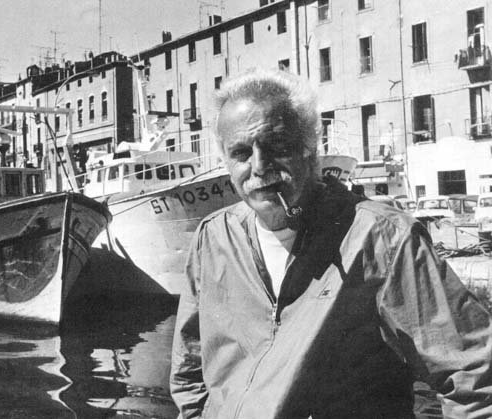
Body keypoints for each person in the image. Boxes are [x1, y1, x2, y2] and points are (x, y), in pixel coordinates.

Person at [169, 69, 492, 418]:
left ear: (310, 149)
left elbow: (474, 376)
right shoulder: (212, 237)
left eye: (277, 146)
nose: (259, 166)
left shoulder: (383, 239)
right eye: (241, 152)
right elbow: (189, 368)